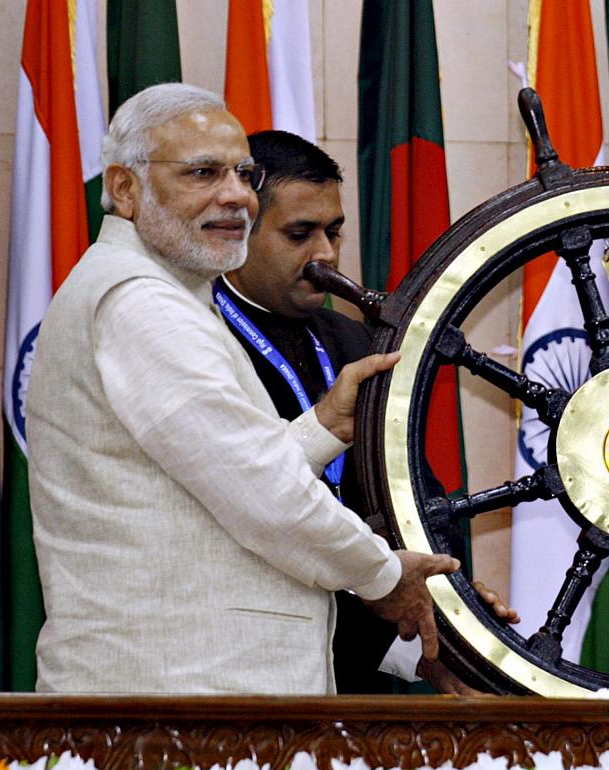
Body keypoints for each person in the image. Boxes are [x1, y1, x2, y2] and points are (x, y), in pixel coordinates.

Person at [26, 83, 456, 694]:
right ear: (123, 188)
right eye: (203, 173)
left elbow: (217, 473)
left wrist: (320, 429)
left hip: (194, 693)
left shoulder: (163, 293)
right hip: (176, 697)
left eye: (242, 173)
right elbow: (265, 493)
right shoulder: (140, 301)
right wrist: (382, 575)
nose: (235, 197)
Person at [218, 130, 515, 694]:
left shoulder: (354, 342)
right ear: (239, 232)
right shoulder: (202, 344)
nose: (326, 255)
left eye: (334, 232)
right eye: (300, 234)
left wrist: (454, 620)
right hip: (249, 672)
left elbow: (411, 506)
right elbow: (246, 515)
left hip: (362, 677)